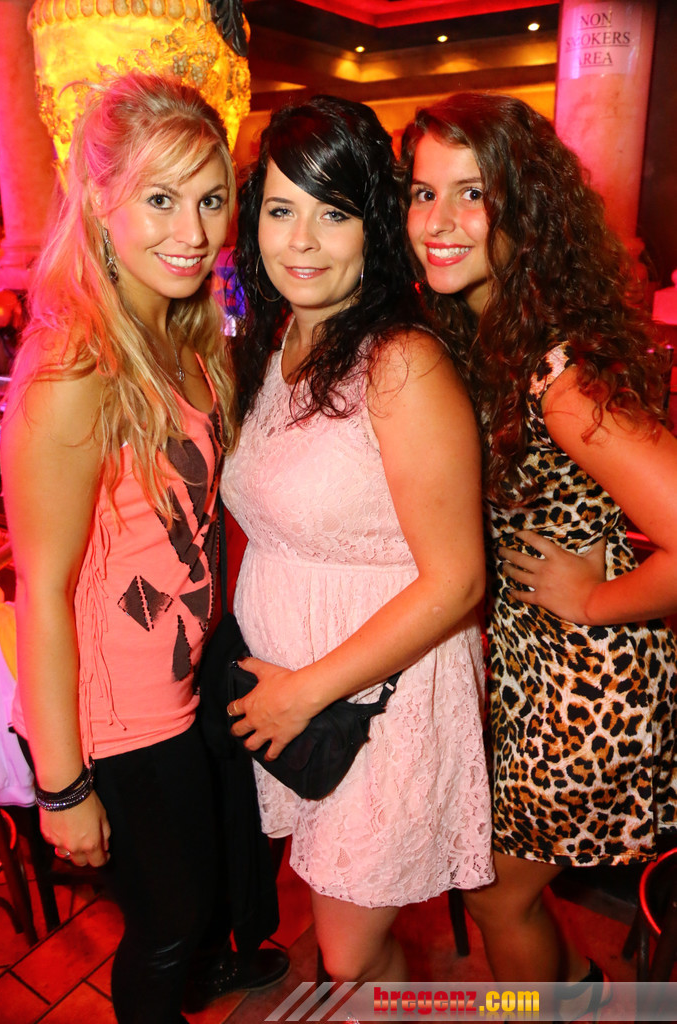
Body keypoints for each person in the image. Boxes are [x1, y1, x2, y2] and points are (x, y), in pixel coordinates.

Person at [0, 71, 286, 1024]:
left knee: (201, 894)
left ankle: (205, 967)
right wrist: (62, 786)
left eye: (210, 199)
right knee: (168, 924)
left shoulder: (185, 333)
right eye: (160, 200)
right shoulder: (73, 367)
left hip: (184, 676)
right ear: (99, 203)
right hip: (119, 717)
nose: (193, 232)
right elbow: (41, 591)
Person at [401, 91, 677, 986]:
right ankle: (581, 993)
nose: (436, 222)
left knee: (494, 896)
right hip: (537, 670)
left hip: (586, 686)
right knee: (498, 888)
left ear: (523, 208)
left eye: (470, 194)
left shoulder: (558, 375)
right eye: (422, 193)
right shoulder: (487, 328)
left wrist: (592, 597)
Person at [222, 94, 494, 983]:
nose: (301, 241)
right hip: (299, 697)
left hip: (377, 700)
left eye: (332, 214)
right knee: (345, 941)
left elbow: (457, 581)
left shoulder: (400, 361)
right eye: (280, 209)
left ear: (371, 225)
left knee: (345, 952)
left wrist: (303, 694)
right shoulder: (279, 342)